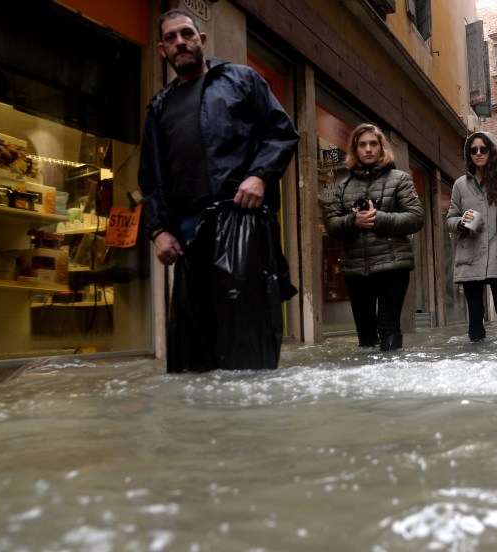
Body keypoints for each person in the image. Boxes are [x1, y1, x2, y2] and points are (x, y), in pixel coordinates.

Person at [138, 9, 299, 373]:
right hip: (188, 234)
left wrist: (259, 175)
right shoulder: (159, 107)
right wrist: (159, 229)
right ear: (162, 49)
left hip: (241, 220)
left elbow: (281, 132)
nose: (180, 42)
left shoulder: (240, 80)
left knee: (246, 338)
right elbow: (151, 178)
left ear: (202, 39)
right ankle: (201, 426)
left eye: (186, 34)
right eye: (170, 38)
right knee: (193, 347)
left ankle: (249, 421)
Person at [325, 123, 424, 351]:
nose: (368, 149)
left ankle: (392, 380)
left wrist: (378, 219)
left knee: (388, 328)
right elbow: (331, 224)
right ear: (355, 150)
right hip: (356, 269)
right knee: (366, 337)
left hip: (393, 267)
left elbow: (416, 218)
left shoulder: (400, 179)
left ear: (381, 148)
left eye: (373, 144)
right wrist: (353, 221)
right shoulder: (344, 186)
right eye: (362, 145)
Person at [446, 132, 497, 341]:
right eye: (473, 150)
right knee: (475, 315)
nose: (478, 153)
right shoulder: (459, 185)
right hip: (470, 253)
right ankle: (477, 363)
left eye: (483, 149)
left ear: (492, 151)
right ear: (468, 154)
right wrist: (461, 223)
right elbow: (450, 218)